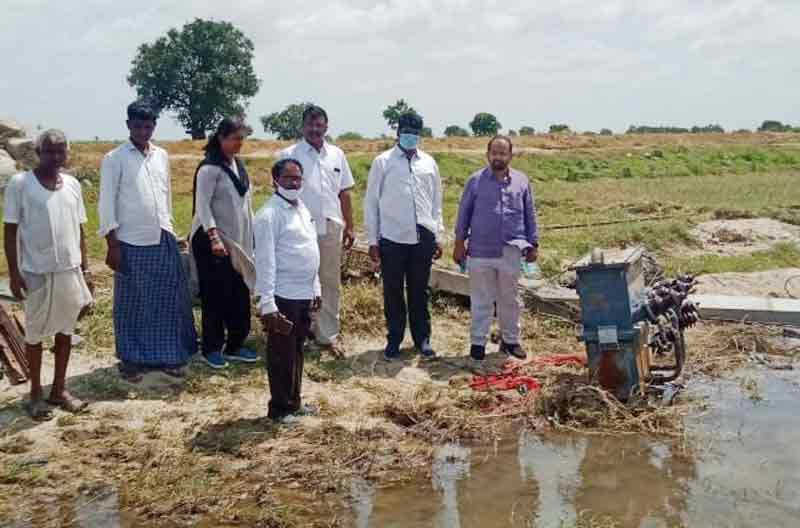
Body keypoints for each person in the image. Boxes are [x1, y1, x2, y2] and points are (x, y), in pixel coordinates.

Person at [98, 101, 197, 381]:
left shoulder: (161, 155)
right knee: (133, 302)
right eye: (138, 126)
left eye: (148, 126)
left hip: (161, 236)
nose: (143, 131)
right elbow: (106, 203)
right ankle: (132, 360)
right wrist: (112, 245)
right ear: (128, 125)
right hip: (129, 241)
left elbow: (165, 196)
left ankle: (168, 356)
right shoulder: (114, 158)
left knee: (167, 299)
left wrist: (170, 229)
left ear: (154, 126)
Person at [3, 129, 93, 419]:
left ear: (67, 153)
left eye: (60, 151)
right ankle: (35, 395)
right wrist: (14, 273)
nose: (55, 156)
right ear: (38, 153)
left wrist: (85, 269)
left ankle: (59, 390)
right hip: (36, 271)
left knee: (66, 330)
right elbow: (10, 230)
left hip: (68, 269)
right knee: (35, 334)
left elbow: (80, 228)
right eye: (49, 151)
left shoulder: (72, 185)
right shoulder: (21, 184)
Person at [364, 112, 444, 361]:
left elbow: (436, 202)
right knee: (393, 291)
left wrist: (438, 235)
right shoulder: (383, 162)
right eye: (406, 131)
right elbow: (371, 203)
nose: (410, 136)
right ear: (398, 133)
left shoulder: (429, 163)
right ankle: (394, 339)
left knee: (420, 291)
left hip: (423, 236)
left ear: (420, 134)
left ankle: (423, 339)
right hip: (392, 237)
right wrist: (373, 241)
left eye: (415, 132)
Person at [453, 135, 539, 361]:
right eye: (494, 153)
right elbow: (463, 214)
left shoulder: (521, 181)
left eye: (502, 153)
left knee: (509, 299)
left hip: (511, 249)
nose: (498, 157)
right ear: (487, 154)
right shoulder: (475, 181)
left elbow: (530, 214)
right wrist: (459, 243)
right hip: (480, 250)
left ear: (510, 155)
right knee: (481, 299)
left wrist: (534, 244)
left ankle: (510, 341)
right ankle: (478, 343)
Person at [278, 105, 355, 357]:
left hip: (331, 227)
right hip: (298, 229)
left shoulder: (337, 154)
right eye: (310, 125)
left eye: (319, 125)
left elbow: (345, 193)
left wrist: (350, 226)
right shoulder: (289, 155)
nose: (314, 129)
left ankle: (327, 336)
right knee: (299, 280)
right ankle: (299, 333)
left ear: (326, 127)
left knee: (330, 282)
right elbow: (279, 194)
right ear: (302, 127)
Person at [254, 158, 321, 421]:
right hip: (283, 295)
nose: (294, 183)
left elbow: (310, 249)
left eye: (297, 178)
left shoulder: (302, 208)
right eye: (288, 178)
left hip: (303, 293)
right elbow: (265, 262)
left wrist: (315, 287)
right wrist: (267, 303)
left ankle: (295, 402)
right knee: (282, 354)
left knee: (297, 351)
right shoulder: (268, 215)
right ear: (275, 181)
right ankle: (280, 409)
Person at [190, 117, 257, 369]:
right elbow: (203, 206)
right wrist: (214, 237)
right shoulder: (209, 169)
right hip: (213, 241)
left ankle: (236, 345)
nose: (239, 143)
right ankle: (211, 348)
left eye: (242, 138)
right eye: (234, 138)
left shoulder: (238, 165)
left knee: (239, 293)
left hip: (237, 241)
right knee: (215, 295)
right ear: (221, 138)